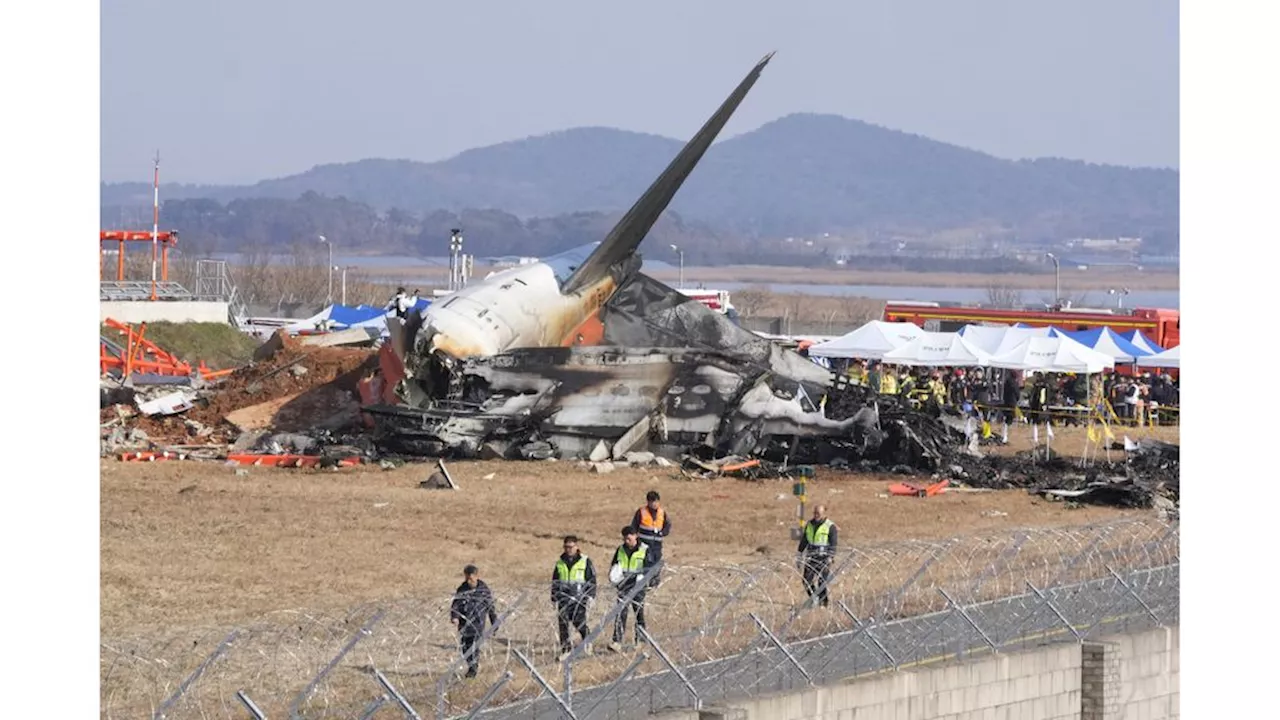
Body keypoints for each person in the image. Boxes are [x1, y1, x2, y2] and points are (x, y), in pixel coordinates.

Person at [609, 526, 657, 652]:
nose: (626, 540)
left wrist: (647, 581)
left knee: (638, 613)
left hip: (639, 585)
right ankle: (617, 641)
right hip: (624, 585)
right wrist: (615, 576)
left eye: (629, 537)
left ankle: (640, 640)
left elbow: (650, 568)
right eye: (625, 538)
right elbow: (615, 565)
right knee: (620, 612)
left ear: (636, 535)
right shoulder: (620, 550)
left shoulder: (645, 549)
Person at [551, 535, 597, 661]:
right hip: (563, 597)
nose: (568, 549)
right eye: (566, 547)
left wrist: (591, 596)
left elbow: (591, 579)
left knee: (579, 622)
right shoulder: (560, 562)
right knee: (563, 624)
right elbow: (555, 580)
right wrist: (554, 597)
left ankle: (587, 640)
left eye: (571, 547)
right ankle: (566, 649)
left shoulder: (585, 561)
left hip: (579, 598)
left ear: (577, 547)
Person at [450, 564, 499, 678]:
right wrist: (455, 617)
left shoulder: (483, 590)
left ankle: (473, 669)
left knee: (474, 647)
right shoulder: (462, 589)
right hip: (464, 623)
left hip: (478, 623)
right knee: (465, 648)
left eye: (470, 578)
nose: (468, 581)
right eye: (466, 578)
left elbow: (490, 608)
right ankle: (471, 665)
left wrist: (494, 623)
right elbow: (455, 605)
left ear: (477, 576)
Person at [796, 505, 838, 608]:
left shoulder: (830, 526)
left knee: (821, 581)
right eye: (814, 513)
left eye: (818, 514)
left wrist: (830, 557)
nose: (815, 515)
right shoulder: (809, 525)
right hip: (811, 556)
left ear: (824, 514)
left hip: (824, 557)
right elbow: (804, 540)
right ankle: (814, 597)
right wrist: (799, 554)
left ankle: (823, 602)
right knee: (806, 580)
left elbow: (833, 544)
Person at [632, 490, 671, 587]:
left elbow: (667, 525)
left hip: (657, 544)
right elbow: (634, 526)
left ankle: (654, 581)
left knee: (656, 561)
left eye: (656, 501)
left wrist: (663, 533)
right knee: (645, 562)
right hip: (644, 543)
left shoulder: (662, 513)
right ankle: (644, 581)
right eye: (652, 501)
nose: (654, 504)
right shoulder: (641, 512)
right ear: (648, 502)